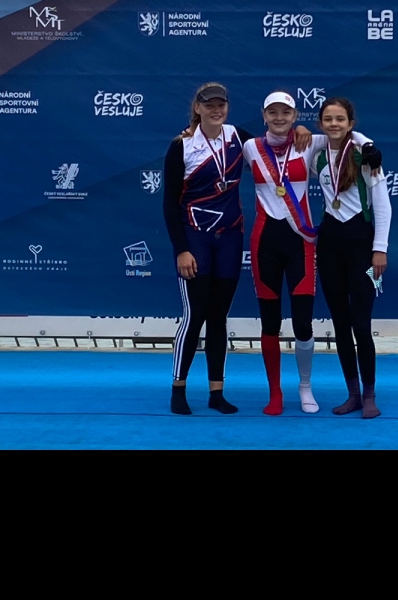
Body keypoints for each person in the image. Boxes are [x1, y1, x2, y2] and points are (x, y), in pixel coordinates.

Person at [162, 82, 311, 416]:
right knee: (194, 315)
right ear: (197, 108)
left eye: (221, 105)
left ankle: (216, 392)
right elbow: (170, 203)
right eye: (209, 105)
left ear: (227, 107)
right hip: (195, 238)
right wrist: (181, 249)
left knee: (218, 317)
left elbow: (274, 143)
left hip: (229, 238)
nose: (216, 110)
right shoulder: (181, 146)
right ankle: (178, 388)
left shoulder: (238, 138)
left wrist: (299, 130)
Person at [242, 90, 382, 416]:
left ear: (296, 116)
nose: (279, 118)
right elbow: (216, 134)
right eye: (273, 112)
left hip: (302, 243)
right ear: (263, 116)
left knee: (304, 324)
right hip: (264, 244)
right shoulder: (250, 147)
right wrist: (190, 130)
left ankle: (305, 387)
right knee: (270, 323)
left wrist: (370, 145)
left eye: (286, 113)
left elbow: (345, 134)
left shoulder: (309, 143)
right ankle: (275, 393)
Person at [312, 97, 392, 419]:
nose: (334, 124)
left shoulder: (365, 156)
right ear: (320, 124)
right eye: (328, 119)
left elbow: (383, 205)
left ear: (350, 123)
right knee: (341, 325)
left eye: (340, 119)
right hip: (329, 244)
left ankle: (370, 395)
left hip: (362, 244)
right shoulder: (316, 156)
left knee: (361, 323)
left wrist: (380, 249)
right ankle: (353, 394)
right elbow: (289, 142)